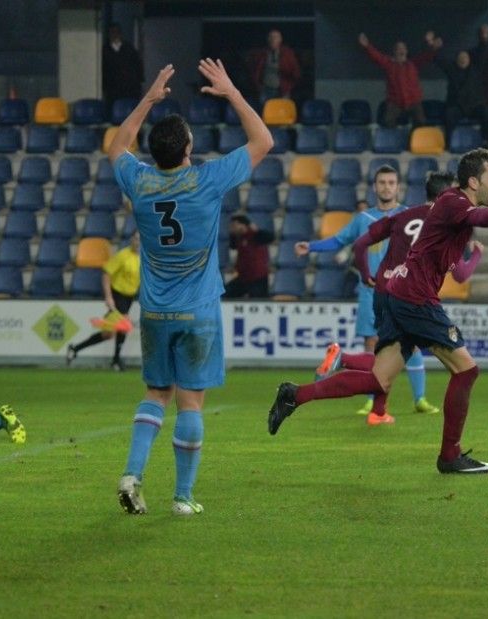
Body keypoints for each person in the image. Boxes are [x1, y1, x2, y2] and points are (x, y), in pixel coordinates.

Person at [268, 149, 488, 475]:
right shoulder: (453, 202)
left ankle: (294, 395)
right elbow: (477, 218)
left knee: (379, 379)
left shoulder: (451, 207)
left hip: (399, 295)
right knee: (467, 371)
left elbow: (466, 233)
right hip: (416, 299)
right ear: (473, 181)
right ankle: (450, 456)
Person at [107, 59, 272, 516]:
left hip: (155, 310)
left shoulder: (138, 180)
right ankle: (182, 497)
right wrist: (232, 91)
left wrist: (148, 99)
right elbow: (263, 141)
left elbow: (117, 145)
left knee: (155, 394)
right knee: (191, 401)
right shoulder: (205, 179)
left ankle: (132, 473)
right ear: (189, 148)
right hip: (198, 309)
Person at [314, 171, 484, 426]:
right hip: (410, 294)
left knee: (392, 351)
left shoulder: (403, 216)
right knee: (398, 354)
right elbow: (460, 274)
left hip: (382, 290)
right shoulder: (443, 224)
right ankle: (346, 361)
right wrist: (477, 255)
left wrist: (365, 276)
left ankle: (378, 409)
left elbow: (359, 245)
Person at [294, 165, 439, 417]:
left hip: (402, 292)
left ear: (398, 187)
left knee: (412, 345)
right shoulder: (363, 220)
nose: (386, 187)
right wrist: (312, 247)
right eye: (382, 182)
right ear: (374, 187)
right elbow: (340, 241)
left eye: (391, 182)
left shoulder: (408, 216)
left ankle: (420, 399)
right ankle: (373, 402)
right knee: (373, 346)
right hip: (370, 293)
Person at [67, 231, 141, 370]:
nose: (138, 242)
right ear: (131, 240)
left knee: (108, 334)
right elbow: (106, 274)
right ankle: (116, 361)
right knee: (124, 325)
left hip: (129, 297)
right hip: (117, 294)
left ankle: (75, 349)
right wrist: (108, 297)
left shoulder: (144, 258)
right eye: (136, 239)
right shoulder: (122, 256)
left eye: (141, 239)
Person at [358, 31, 443, 127]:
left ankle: (414, 139)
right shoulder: (389, 64)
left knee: (421, 123)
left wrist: (434, 48)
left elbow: (427, 56)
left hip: (413, 101)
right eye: (399, 49)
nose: (401, 50)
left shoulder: (413, 63)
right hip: (395, 102)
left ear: (406, 51)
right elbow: (376, 56)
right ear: (395, 52)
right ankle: (396, 139)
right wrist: (367, 46)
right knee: (388, 122)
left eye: (403, 48)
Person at [436, 50, 488, 148]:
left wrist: (485, 41)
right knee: (449, 115)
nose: (463, 60)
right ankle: (448, 144)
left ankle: (486, 142)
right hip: (457, 106)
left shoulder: (475, 70)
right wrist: (435, 48)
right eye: (460, 58)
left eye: (465, 58)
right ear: (457, 60)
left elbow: (484, 55)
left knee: (486, 114)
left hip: (473, 106)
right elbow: (441, 62)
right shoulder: (452, 70)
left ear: (469, 60)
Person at [223, 214, 274, 299]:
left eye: (234, 225)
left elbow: (270, 238)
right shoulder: (239, 238)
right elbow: (232, 246)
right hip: (243, 277)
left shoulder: (255, 235)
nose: (232, 228)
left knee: (258, 301)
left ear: (243, 225)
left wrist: (255, 230)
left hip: (258, 278)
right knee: (225, 294)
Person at [249, 29, 302, 102]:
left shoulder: (287, 53)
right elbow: (255, 70)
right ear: (268, 39)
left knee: (283, 110)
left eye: (276, 37)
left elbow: (295, 71)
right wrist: (258, 85)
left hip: (283, 89)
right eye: (271, 37)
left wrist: (289, 86)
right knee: (266, 110)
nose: (273, 40)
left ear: (280, 39)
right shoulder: (262, 54)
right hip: (266, 89)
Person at [103, 22, 143, 105]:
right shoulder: (104, 50)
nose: (115, 35)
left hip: (130, 89)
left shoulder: (129, 49)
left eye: (117, 32)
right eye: (112, 32)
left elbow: (138, 66)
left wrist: (139, 82)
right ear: (109, 34)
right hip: (112, 90)